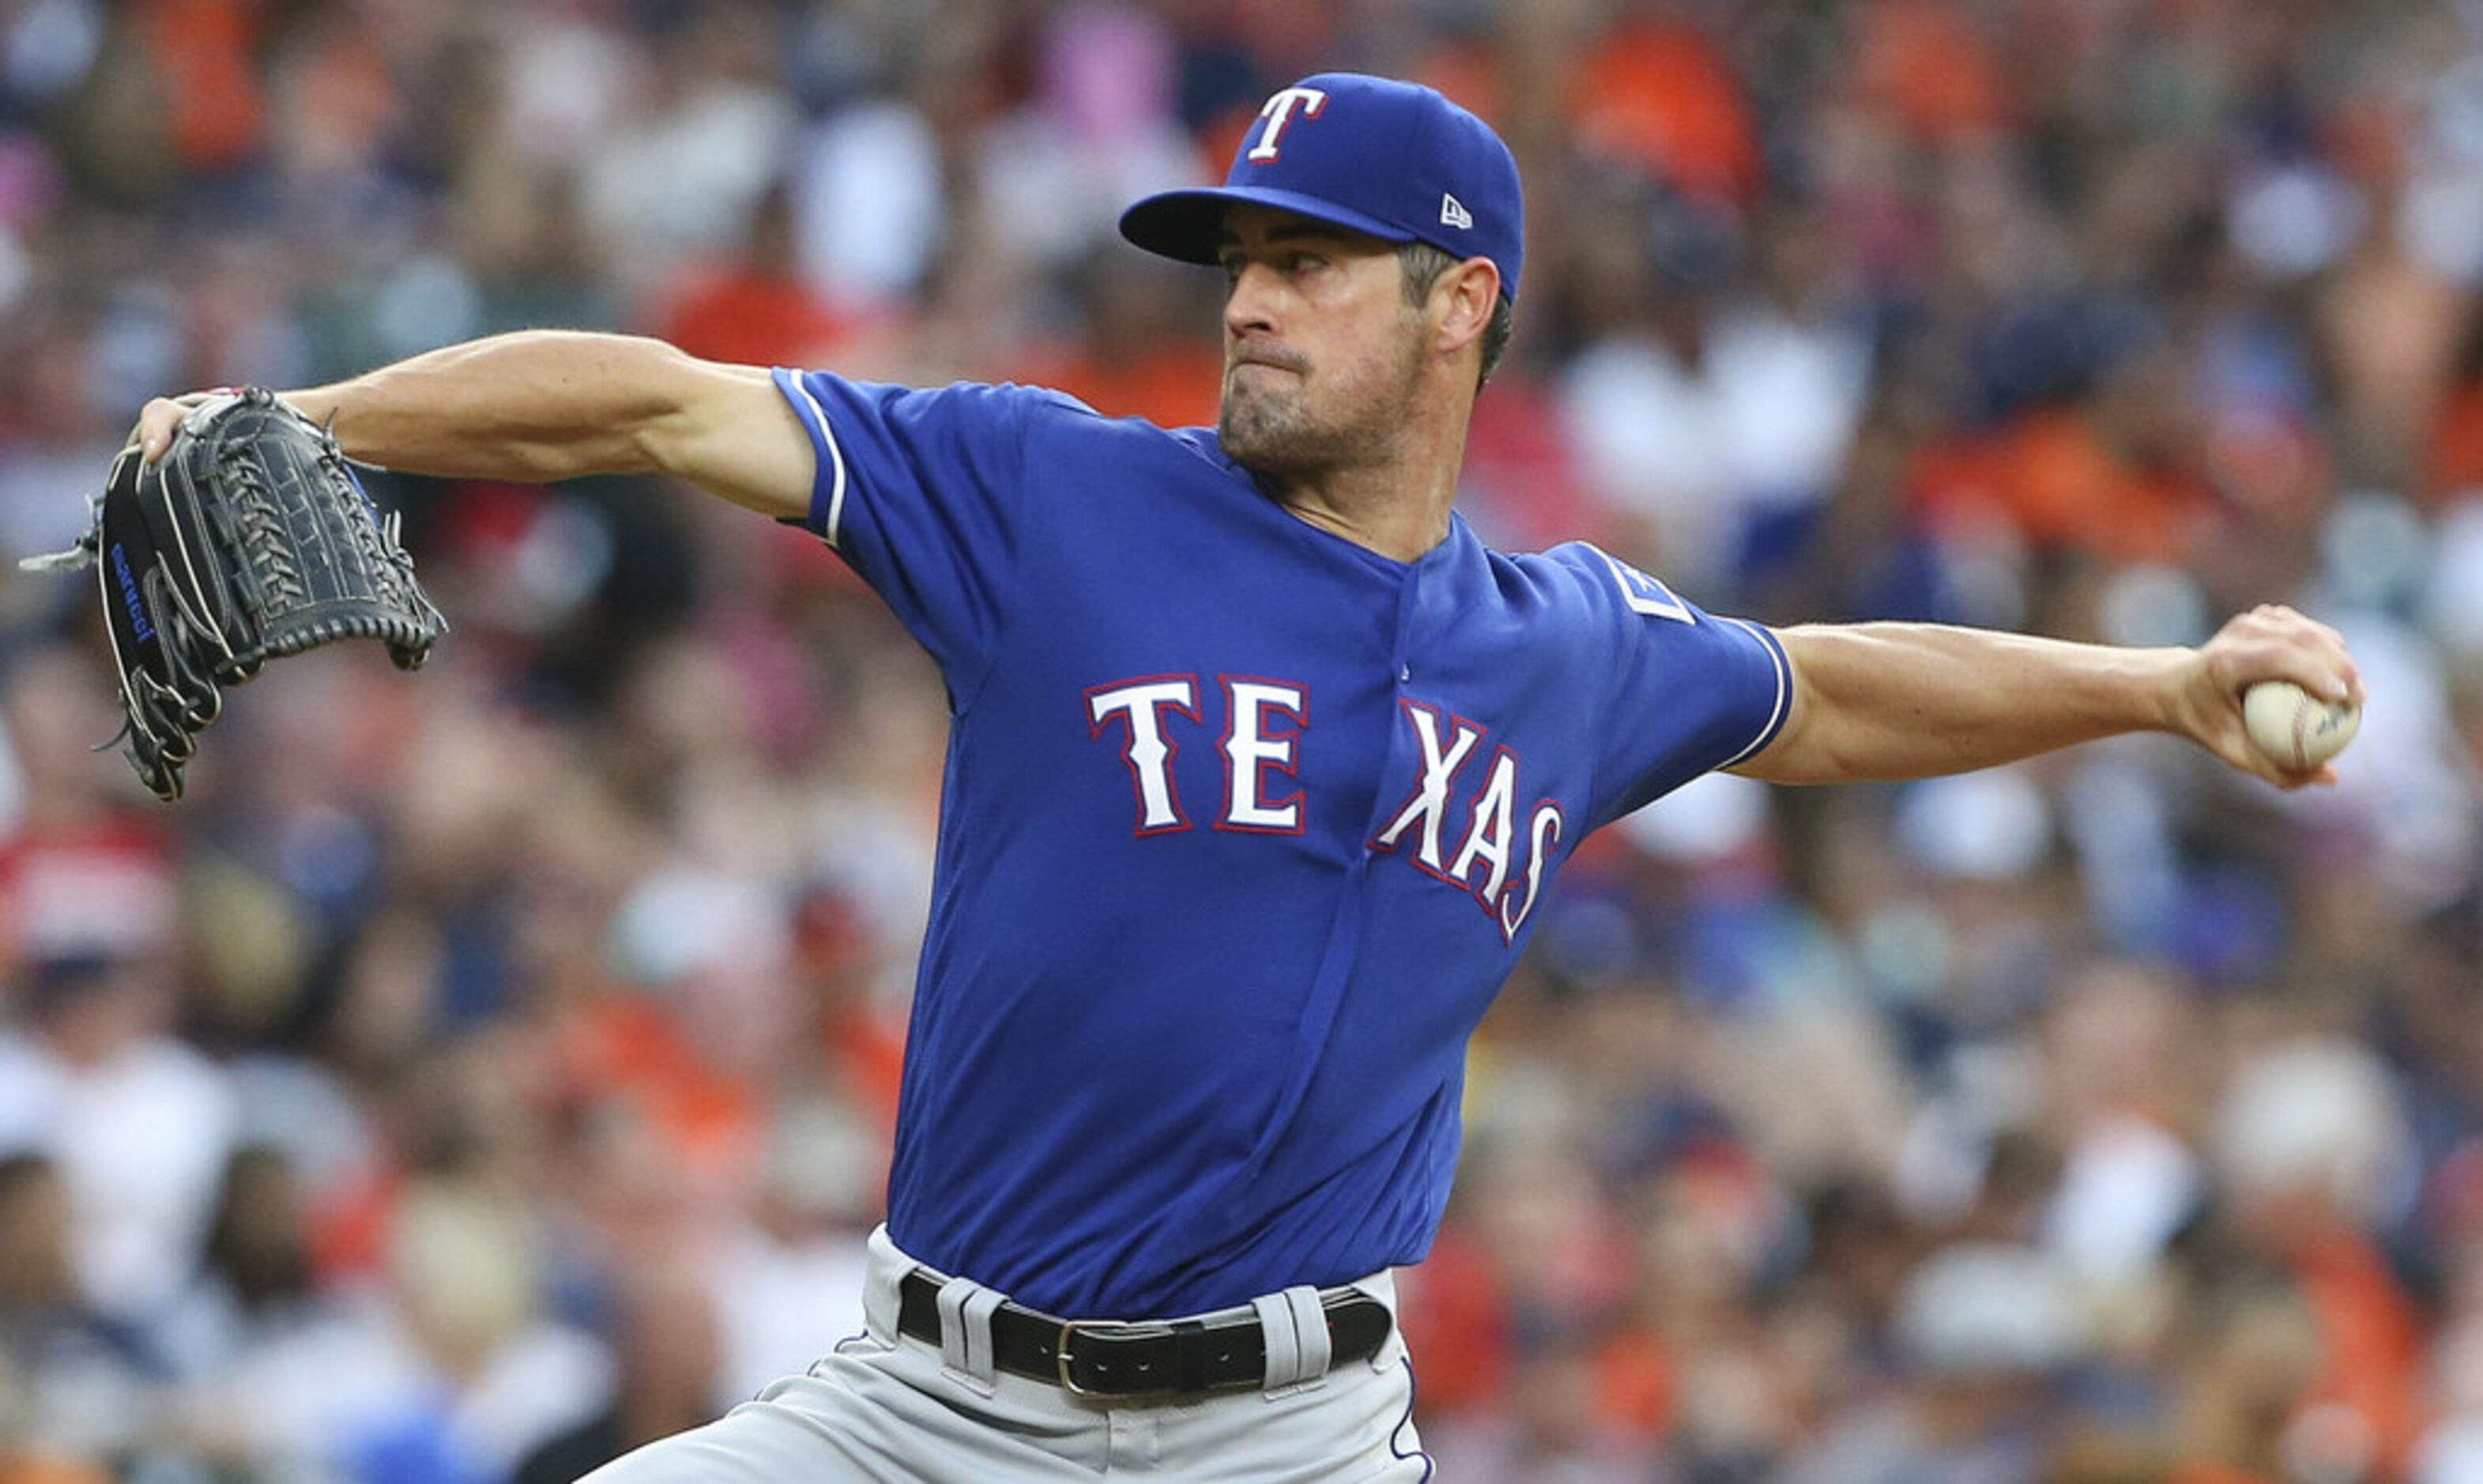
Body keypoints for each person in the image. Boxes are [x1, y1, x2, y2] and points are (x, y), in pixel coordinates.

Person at [128, 71, 2361, 1482]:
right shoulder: (1049, 494)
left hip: (1286, 1439)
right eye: (1236, 263)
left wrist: (2157, 684)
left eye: (1308, 264)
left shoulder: (1565, 645)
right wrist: (324, 420)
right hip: (925, 1410)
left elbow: (1834, 687)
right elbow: (656, 404)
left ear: (1460, 305)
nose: (1250, 303)